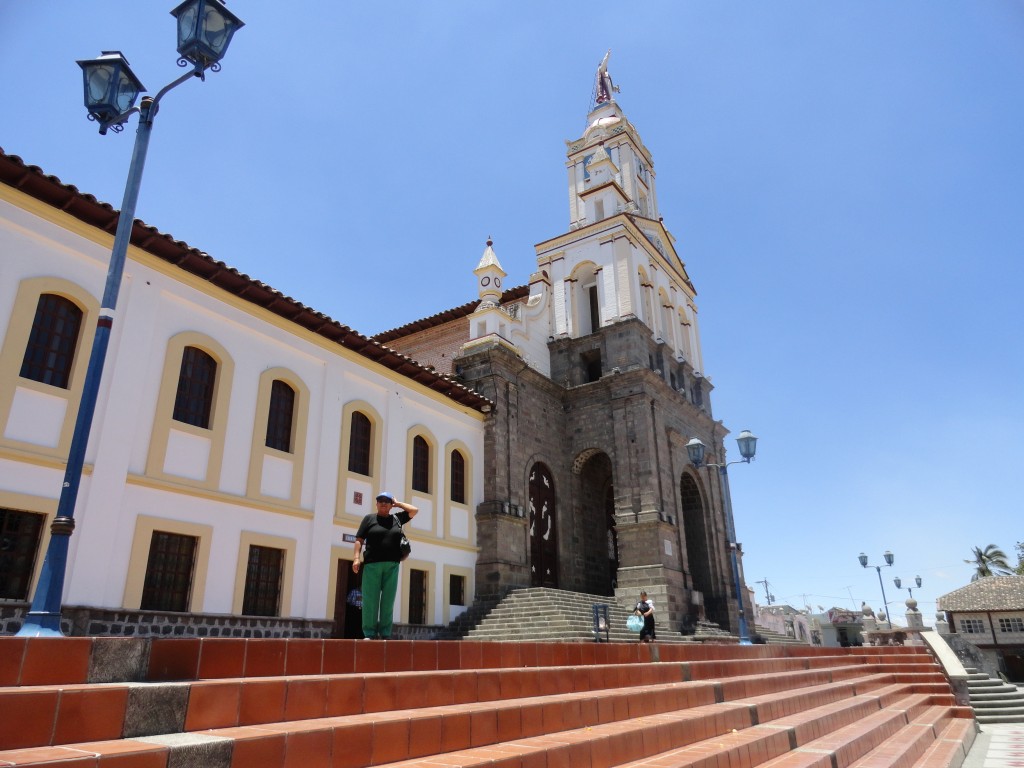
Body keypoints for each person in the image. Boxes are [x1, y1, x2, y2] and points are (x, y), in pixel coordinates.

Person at [352, 492, 418, 639]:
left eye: (387, 501)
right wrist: (356, 558)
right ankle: (369, 632)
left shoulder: (397, 518)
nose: (383, 503)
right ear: (376, 503)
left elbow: (414, 510)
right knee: (370, 600)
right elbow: (359, 540)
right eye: (380, 500)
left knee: (388, 601)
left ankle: (385, 633)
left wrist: (399, 504)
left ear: (391, 504)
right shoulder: (369, 519)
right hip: (372, 565)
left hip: (392, 565)